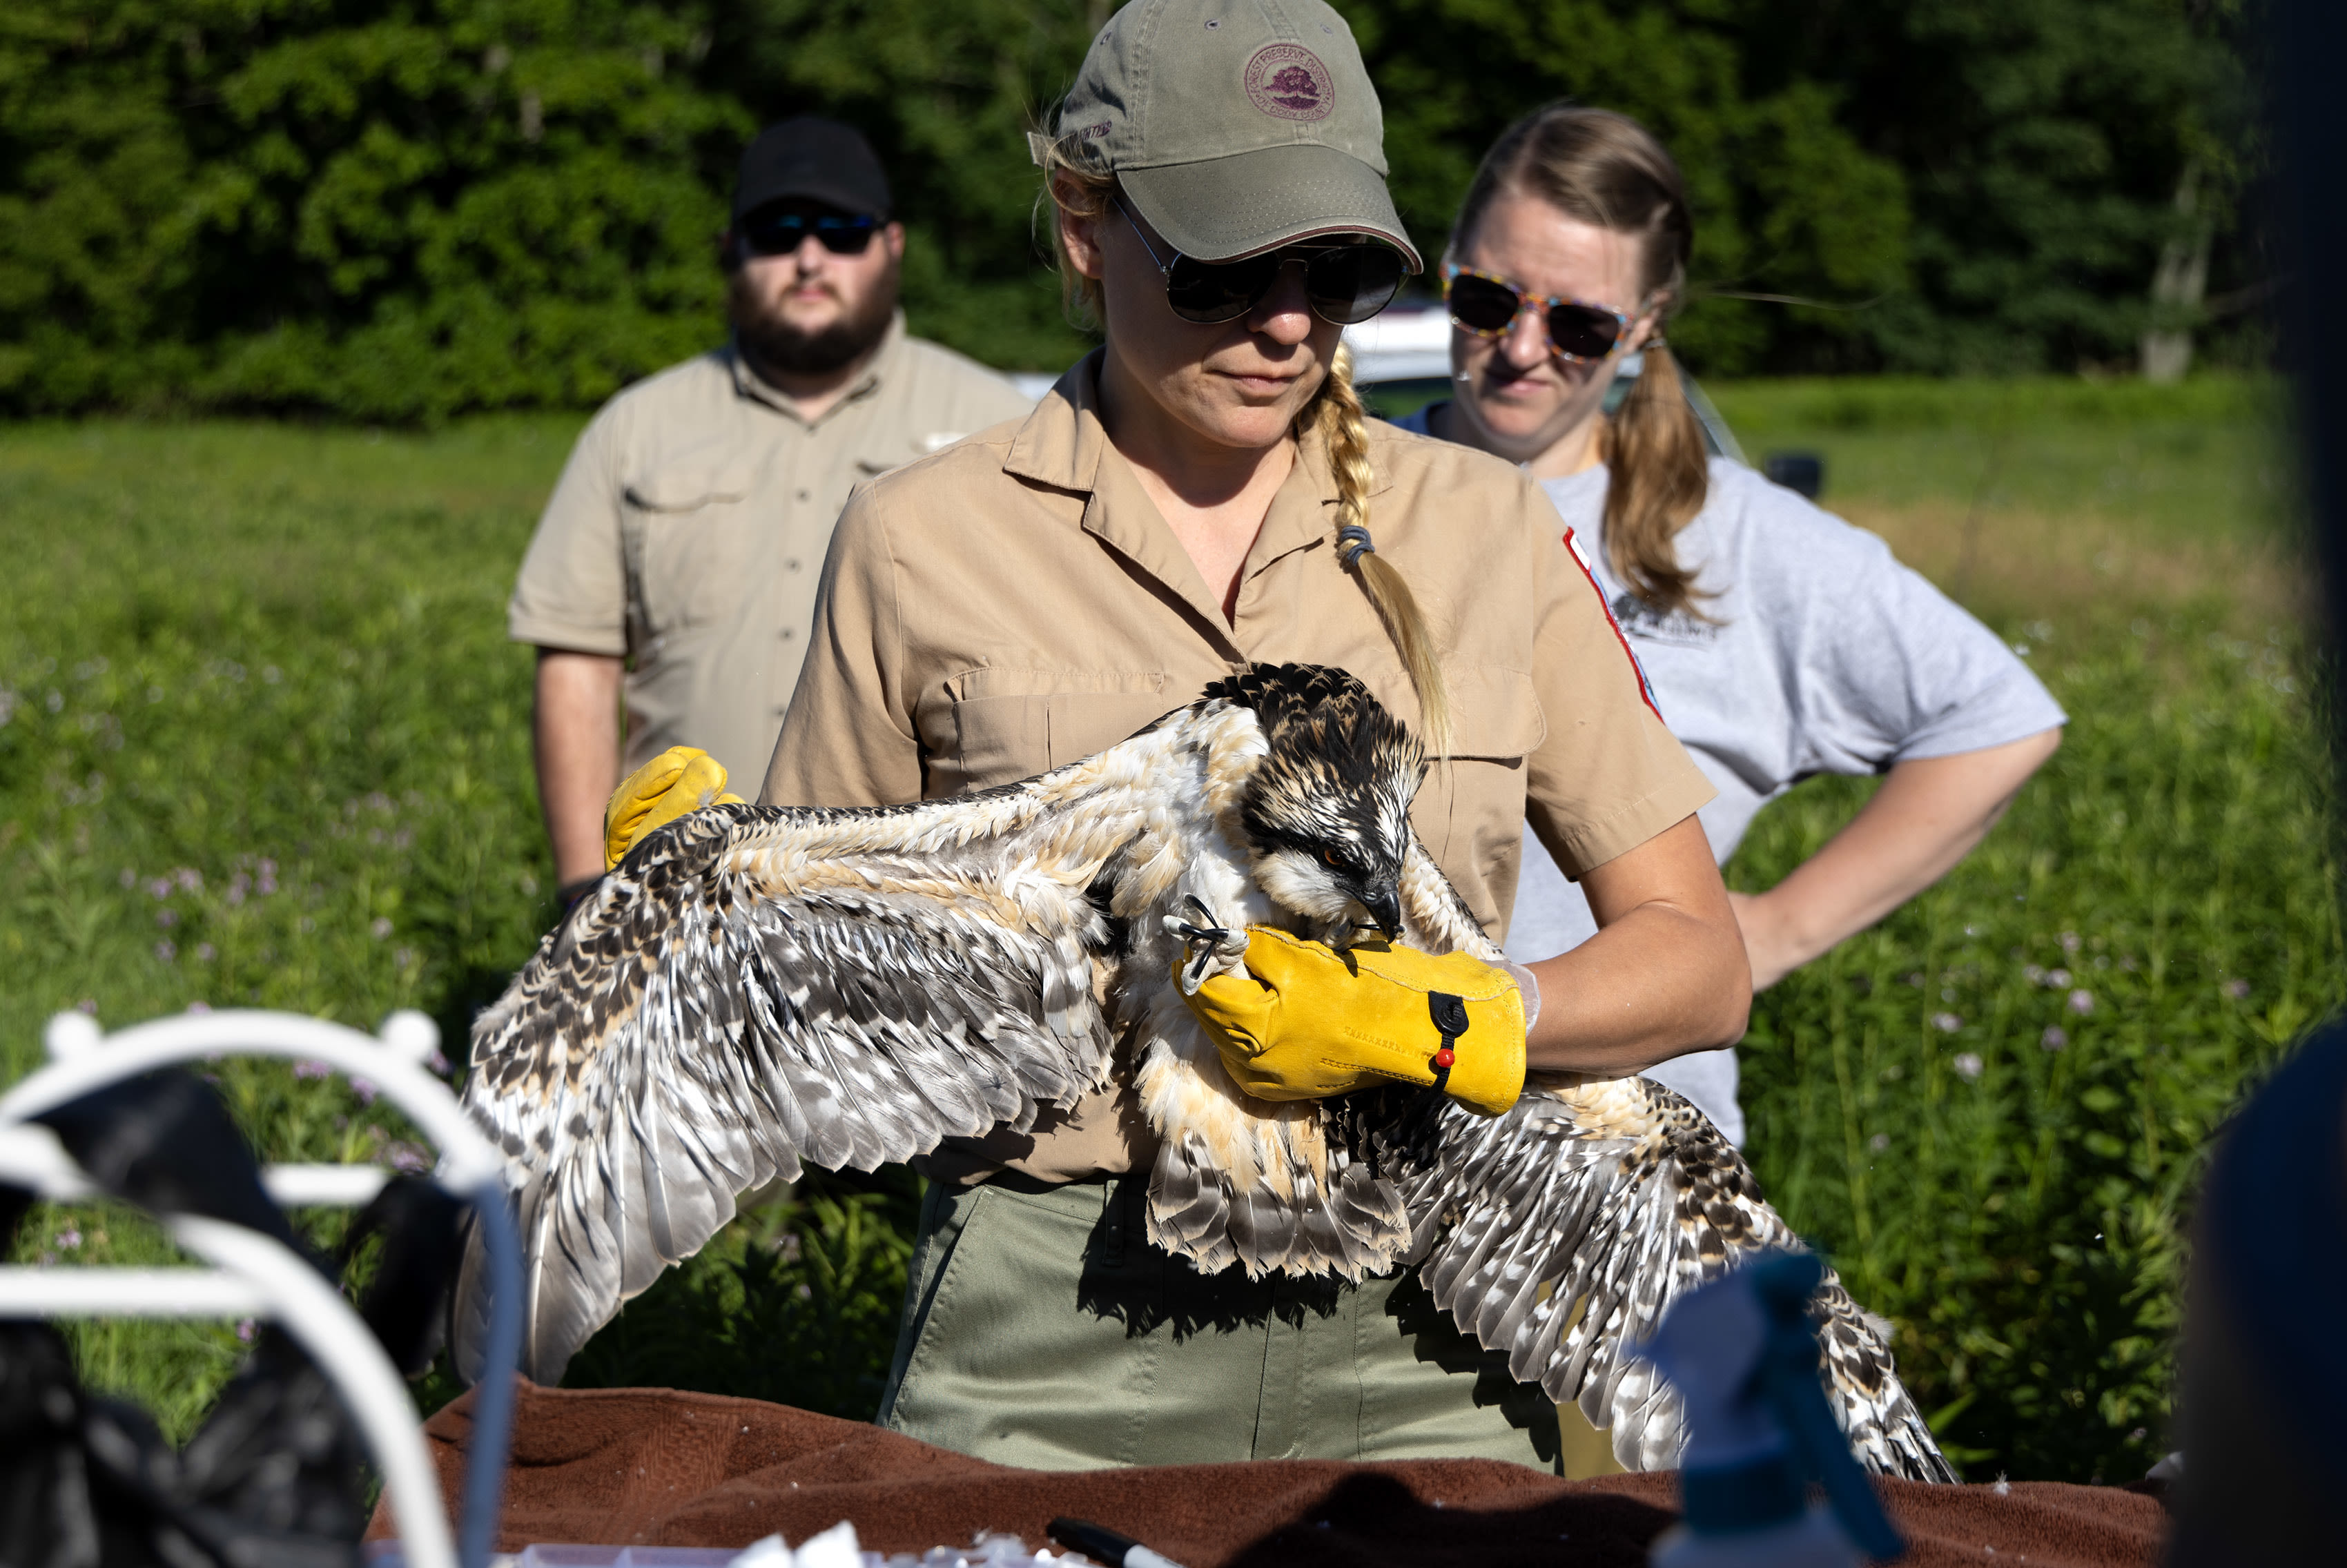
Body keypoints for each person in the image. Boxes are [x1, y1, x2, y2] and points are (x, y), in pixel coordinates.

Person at [648, 0, 1749, 1476]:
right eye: (1226, 265)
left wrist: (1450, 1016)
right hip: (1045, 1335)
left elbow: (1695, 957)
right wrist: (710, 904)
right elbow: (794, 1017)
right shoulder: (920, 542)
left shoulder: (1485, 534)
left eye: (1331, 270)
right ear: (1083, 224)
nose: (1286, 322)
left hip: (1428, 1323)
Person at [1394, 106, 2065, 1144]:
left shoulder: (1739, 540)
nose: (1522, 349)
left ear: (1649, 322)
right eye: (1486, 300)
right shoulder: (1346, 485)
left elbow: (1997, 716)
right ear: (1447, 269)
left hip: (1623, 1151)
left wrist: (1775, 929)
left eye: (1579, 325)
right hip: (1364, 1126)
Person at [509, 116, 1033, 907]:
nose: (810, 257)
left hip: (916, 918)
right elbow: (579, 664)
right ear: (731, 249)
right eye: (779, 230)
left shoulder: (997, 428)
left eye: (843, 231)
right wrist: (587, 886)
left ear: (893, 245)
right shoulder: (634, 430)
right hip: (673, 903)